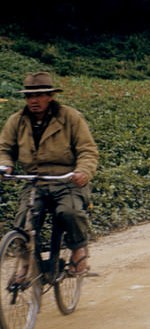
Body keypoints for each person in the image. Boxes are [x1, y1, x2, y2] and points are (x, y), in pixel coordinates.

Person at [0, 72, 99, 275]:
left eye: (40, 95)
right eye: (29, 96)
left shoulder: (70, 117)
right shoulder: (17, 121)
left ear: (51, 96)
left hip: (67, 180)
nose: (34, 101)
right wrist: (5, 165)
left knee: (69, 212)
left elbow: (87, 150)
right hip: (35, 181)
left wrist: (83, 171)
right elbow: (4, 148)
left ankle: (78, 249)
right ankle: (26, 263)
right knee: (23, 221)